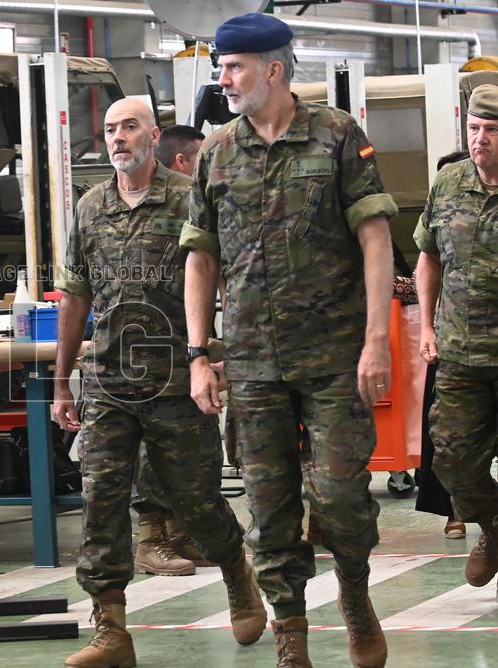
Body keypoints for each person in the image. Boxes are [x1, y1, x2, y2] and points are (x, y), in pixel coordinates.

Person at [181, 13, 396, 668]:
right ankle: (291, 636)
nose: (223, 79)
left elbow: (376, 238)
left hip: (335, 358)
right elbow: (199, 259)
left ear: (272, 69)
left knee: (339, 497)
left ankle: (355, 596)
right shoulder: (218, 153)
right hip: (251, 363)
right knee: (269, 509)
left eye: (234, 66)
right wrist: (199, 353)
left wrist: (377, 339)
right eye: (220, 67)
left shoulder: (336, 137)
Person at [53, 97, 265, 668]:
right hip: (107, 383)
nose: (118, 138)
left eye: (129, 127)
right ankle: (111, 629)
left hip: (177, 380)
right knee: (101, 500)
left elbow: (226, 284)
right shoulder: (91, 205)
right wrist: (62, 380)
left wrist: (224, 358)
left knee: (195, 501)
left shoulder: (188, 199)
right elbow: (75, 296)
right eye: (110, 130)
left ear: (153, 136)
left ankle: (236, 573)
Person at [414, 85, 498, 595]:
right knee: (450, 459)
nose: (479, 140)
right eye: (473, 129)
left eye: (491, 130)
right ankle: (493, 525)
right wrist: (425, 325)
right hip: (461, 353)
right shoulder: (449, 183)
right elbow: (428, 256)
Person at [129, 123, 214, 575]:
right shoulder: (124, 202)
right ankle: (152, 539)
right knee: (152, 447)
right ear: (181, 160)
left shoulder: (188, 197)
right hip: (144, 348)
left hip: (185, 341)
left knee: (190, 446)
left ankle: (181, 534)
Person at [413, 150, 471, 540]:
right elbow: (424, 263)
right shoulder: (440, 205)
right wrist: (428, 327)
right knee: (446, 443)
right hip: (452, 340)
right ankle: (458, 511)